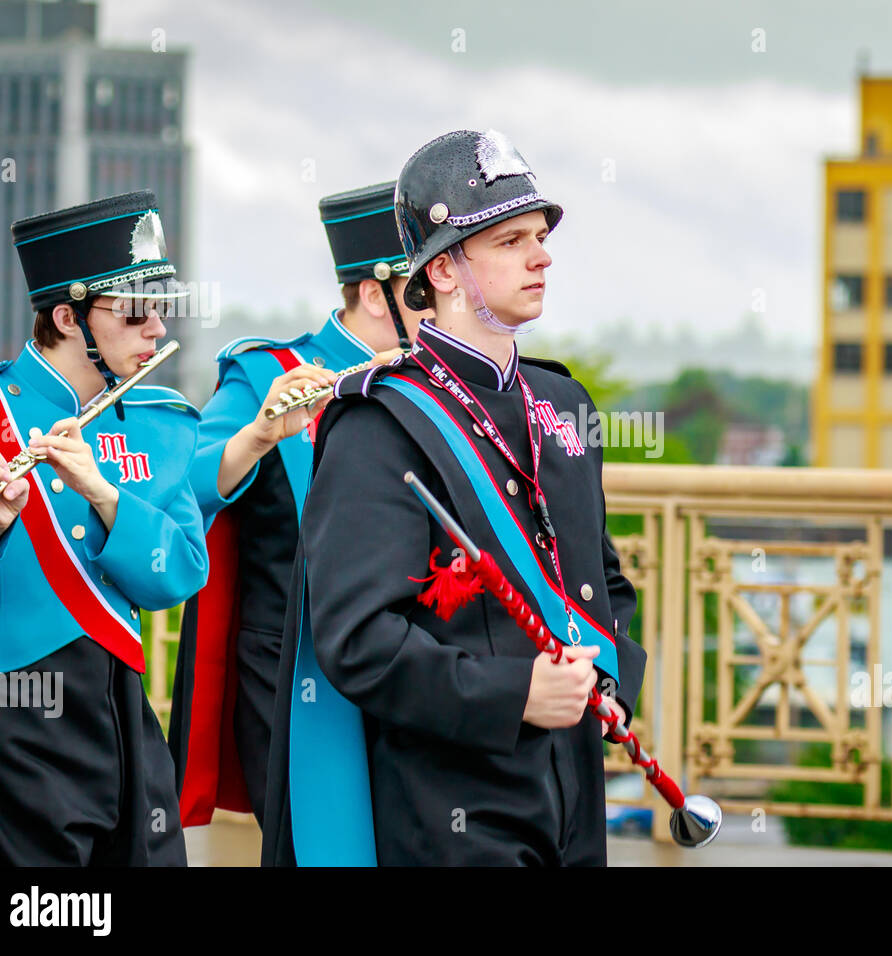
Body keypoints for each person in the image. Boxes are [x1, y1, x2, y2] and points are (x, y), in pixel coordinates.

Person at [262, 129, 647, 866]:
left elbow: (606, 582)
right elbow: (360, 641)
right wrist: (512, 696)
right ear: (442, 270)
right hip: (450, 812)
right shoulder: (379, 420)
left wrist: (616, 680)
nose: (542, 256)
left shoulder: (564, 403)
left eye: (539, 236)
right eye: (509, 241)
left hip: (575, 796)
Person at [170, 180, 432, 827]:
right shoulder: (267, 373)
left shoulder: (435, 377)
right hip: (292, 675)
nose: (441, 300)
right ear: (374, 293)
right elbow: (187, 484)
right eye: (421, 289)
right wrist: (258, 433)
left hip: (411, 666)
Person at [0, 190, 208, 865]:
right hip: (4, 728)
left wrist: (105, 497)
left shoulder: (163, 419)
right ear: (68, 318)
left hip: (126, 720)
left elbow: (180, 575)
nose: (155, 329)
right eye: (134, 313)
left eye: (161, 309)